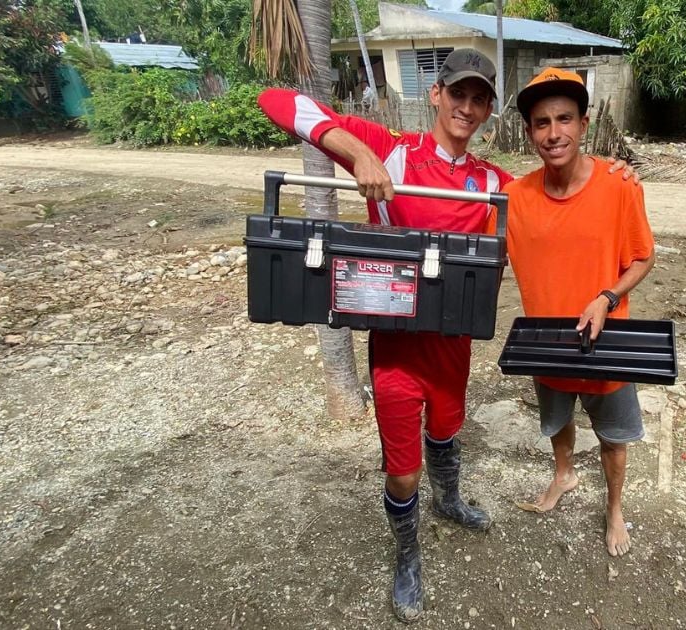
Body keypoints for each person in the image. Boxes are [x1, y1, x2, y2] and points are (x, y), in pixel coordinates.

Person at [255, 49, 636, 622]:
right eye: (457, 93)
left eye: (479, 99)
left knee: (447, 430)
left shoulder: (492, 183)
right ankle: (407, 555)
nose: (467, 106)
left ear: (487, 111)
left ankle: (450, 499)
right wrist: (359, 155)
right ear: (436, 94)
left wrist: (613, 172)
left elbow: (560, 191)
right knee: (402, 468)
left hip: (454, 348)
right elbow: (279, 102)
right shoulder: (394, 151)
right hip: (397, 350)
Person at [496, 68, 656, 558]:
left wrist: (606, 298)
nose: (554, 132)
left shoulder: (618, 186)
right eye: (541, 123)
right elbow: (473, 248)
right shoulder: (513, 198)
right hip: (546, 341)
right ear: (529, 133)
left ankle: (613, 509)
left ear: (584, 124)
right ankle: (563, 475)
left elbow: (643, 257)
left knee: (613, 437)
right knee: (557, 420)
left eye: (564, 119)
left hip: (607, 342)